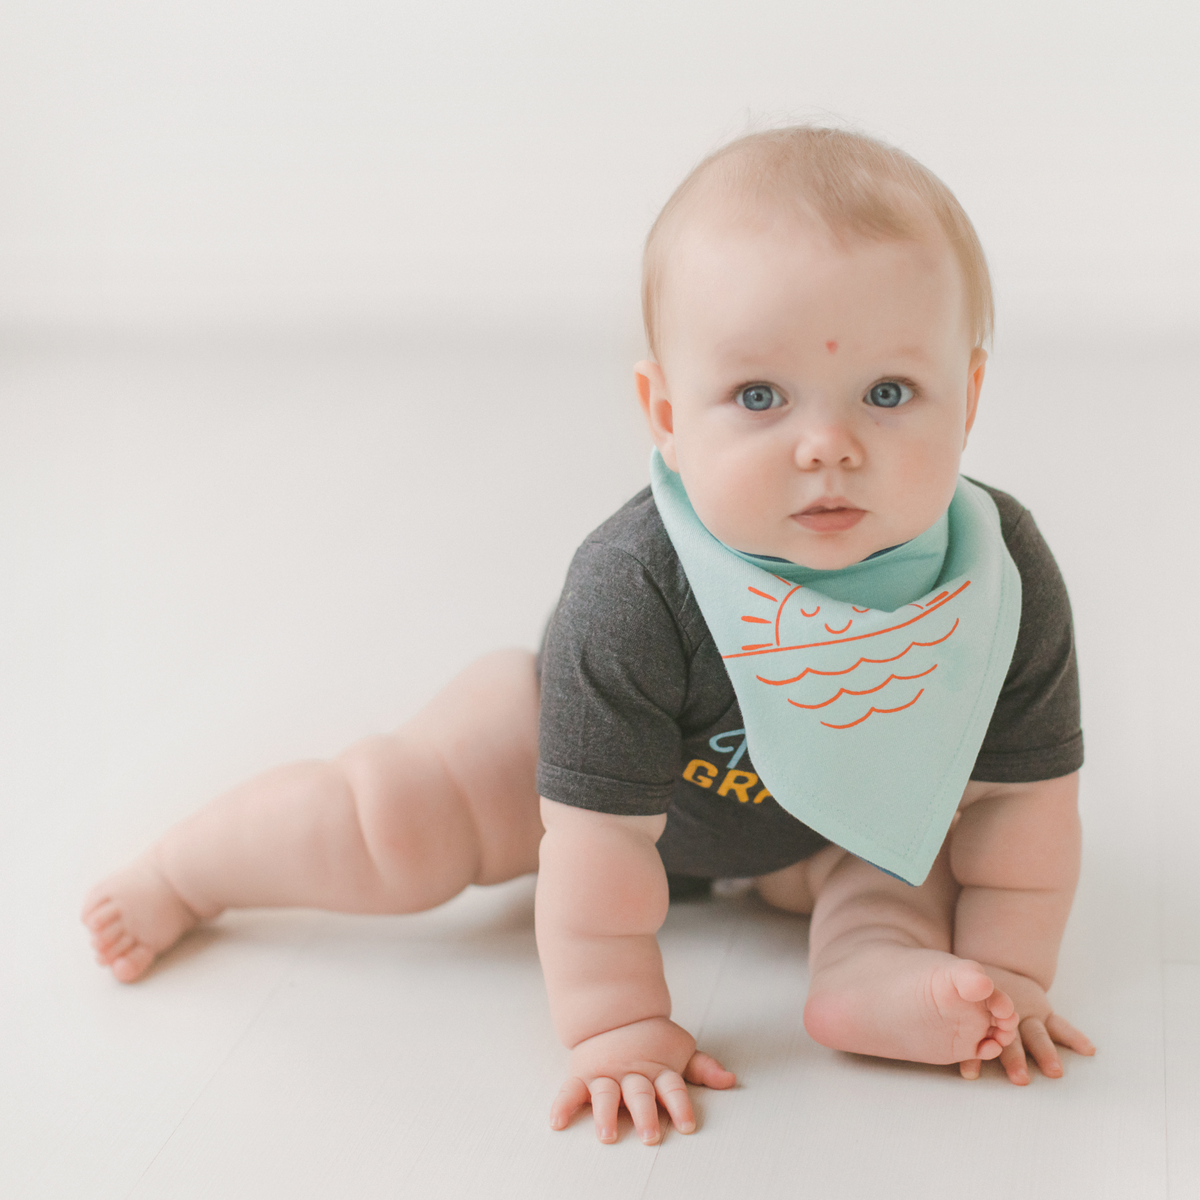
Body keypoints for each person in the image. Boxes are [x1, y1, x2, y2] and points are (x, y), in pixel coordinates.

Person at [83, 125, 1094, 1147]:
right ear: (664, 409)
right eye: (757, 396)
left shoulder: (995, 576)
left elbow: (1022, 802)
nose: (826, 444)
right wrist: (616, 1020)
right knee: (392, 822)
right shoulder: (634, 584)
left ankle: (879, 983)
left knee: (906, 862)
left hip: (815, 827)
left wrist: (1014, 971)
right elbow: (597, 841)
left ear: (966, 398)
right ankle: (187, 871)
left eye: (887, 394)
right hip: (560, 776)